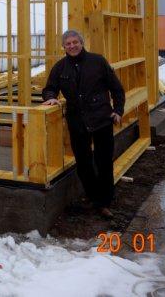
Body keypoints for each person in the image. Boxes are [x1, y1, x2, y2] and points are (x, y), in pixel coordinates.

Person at [42, 30, 125, 218]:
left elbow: (116, 88)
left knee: (104, 162)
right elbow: (49, 88)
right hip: (77, 122)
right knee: (83, 164)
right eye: (68, 44)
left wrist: (118, 110)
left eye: (75, 42)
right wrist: (50, 97)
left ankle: (104, 202)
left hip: (102, 119)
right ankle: (95, 198)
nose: (72, 46)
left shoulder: (98, 62)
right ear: (63, 47)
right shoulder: (60, 68)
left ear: (81, 42)